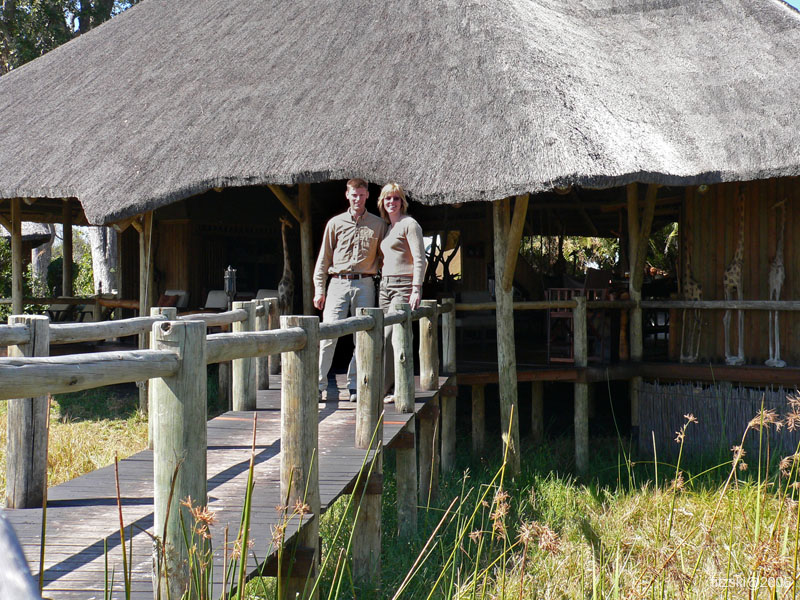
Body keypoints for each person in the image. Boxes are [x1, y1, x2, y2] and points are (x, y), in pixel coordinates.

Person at [314, 178, 387, 402]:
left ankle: (355, 384)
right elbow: (323, 258)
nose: (357, 199)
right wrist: (319, 289)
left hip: (365, 282)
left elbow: (386, 258)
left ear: (367, 196)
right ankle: (318, 384)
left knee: (362, 335)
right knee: (328, 334)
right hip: (338, 282)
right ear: (347, 195)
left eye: (361, 195)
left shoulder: (378, 224)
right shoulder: (335, 223)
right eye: (354, 195)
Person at [377, 182, 425, 398]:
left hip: (403, 285)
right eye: (388, 198)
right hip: (385, 286)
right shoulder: (388, 227)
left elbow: (419, 259)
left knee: (396, 336)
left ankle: (401, 387)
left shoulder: (410, 224)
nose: (392, 202)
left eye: (396, 198)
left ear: (402, 202)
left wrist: (416, 288)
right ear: (382, 202)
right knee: (383, 336)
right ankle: (387, 386)